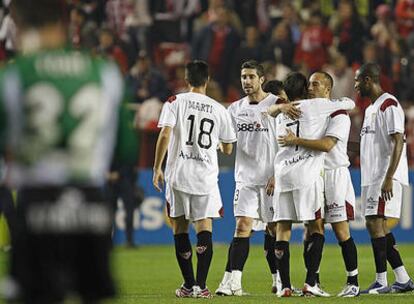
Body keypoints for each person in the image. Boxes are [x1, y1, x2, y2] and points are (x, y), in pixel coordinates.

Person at [0, 0, 129, 303]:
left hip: (38, 203)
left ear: (19, 29)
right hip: (91, 203)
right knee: (94, 294)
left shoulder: (15, 75)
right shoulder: (105, 72)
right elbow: (126, 146)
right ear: (64, 27)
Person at [215, 61, 300, 296]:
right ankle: (234, 284)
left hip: (271, 179)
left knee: (274, 229)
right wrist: (218, 146)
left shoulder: (277, 104)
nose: (246, 81)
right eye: (243, 77)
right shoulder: (234, 109)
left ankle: (281, 281)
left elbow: (287, 141)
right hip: (245, 180)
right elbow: (227, 142)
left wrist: (277, 173)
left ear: (261, 79)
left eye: (251, 77)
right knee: (242, 227)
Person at [152, 60, 236, 298]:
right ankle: (202, 285)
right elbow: (229, 149)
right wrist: (218, 144)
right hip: (205, 177)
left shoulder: (175, 102)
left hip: (178, 174)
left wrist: (157, 167)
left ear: (186, 80)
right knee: (204, 227)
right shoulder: (219, 109)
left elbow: (166, 133)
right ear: (207, 80)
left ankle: (188, 285)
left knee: (179, 227)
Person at [268, 72, 355, 297]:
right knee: (316, 227)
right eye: (310, 84)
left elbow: (265, 112)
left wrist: (279, 107)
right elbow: (349, 102)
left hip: (283, 174)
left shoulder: (280, 116)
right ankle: (310, 283)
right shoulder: (318, 106)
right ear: (305, 88)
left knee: (282, 229)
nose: (311, 87)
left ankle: (284, 286)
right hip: (307, 176)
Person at [354, 62, 414, 294]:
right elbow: (369, 144)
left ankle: (381, 280)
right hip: (372, 176)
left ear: (369, 79)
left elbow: (398, 140)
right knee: (374, 224)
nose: (356, 85)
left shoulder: (388, 104)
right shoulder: (370, 109)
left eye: (358, 81)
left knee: (376, 223)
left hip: (384, 175)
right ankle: (403, 278)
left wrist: (388, 177)